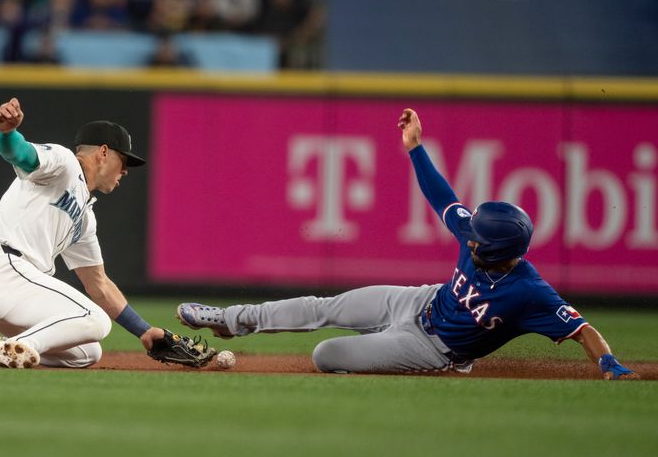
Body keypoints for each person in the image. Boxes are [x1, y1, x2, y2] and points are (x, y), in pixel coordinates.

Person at [177, 108, 640, 380]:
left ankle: (390, 350)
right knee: (326, 306)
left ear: (500, 252)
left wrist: (610, 363)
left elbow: (581, 328)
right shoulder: (475, 233)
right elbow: (441, 195)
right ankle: (230, 321)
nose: (469, 237)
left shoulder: (531, 291)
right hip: (416, 300)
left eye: (477, 238)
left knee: (326, 355)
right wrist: (414, 146)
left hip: (436, 350)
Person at [0, 97, 168, 368]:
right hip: (3, 270)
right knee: (94, 318)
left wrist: (143, 330)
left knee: (87, 352)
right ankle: (18, 347)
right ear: (104, 152)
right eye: (124, 160)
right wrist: (8, 133)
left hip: (13, 294)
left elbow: (98, 284)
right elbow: (21, 155)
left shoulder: (84, 216)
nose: (125, 171)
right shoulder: (65, 163)